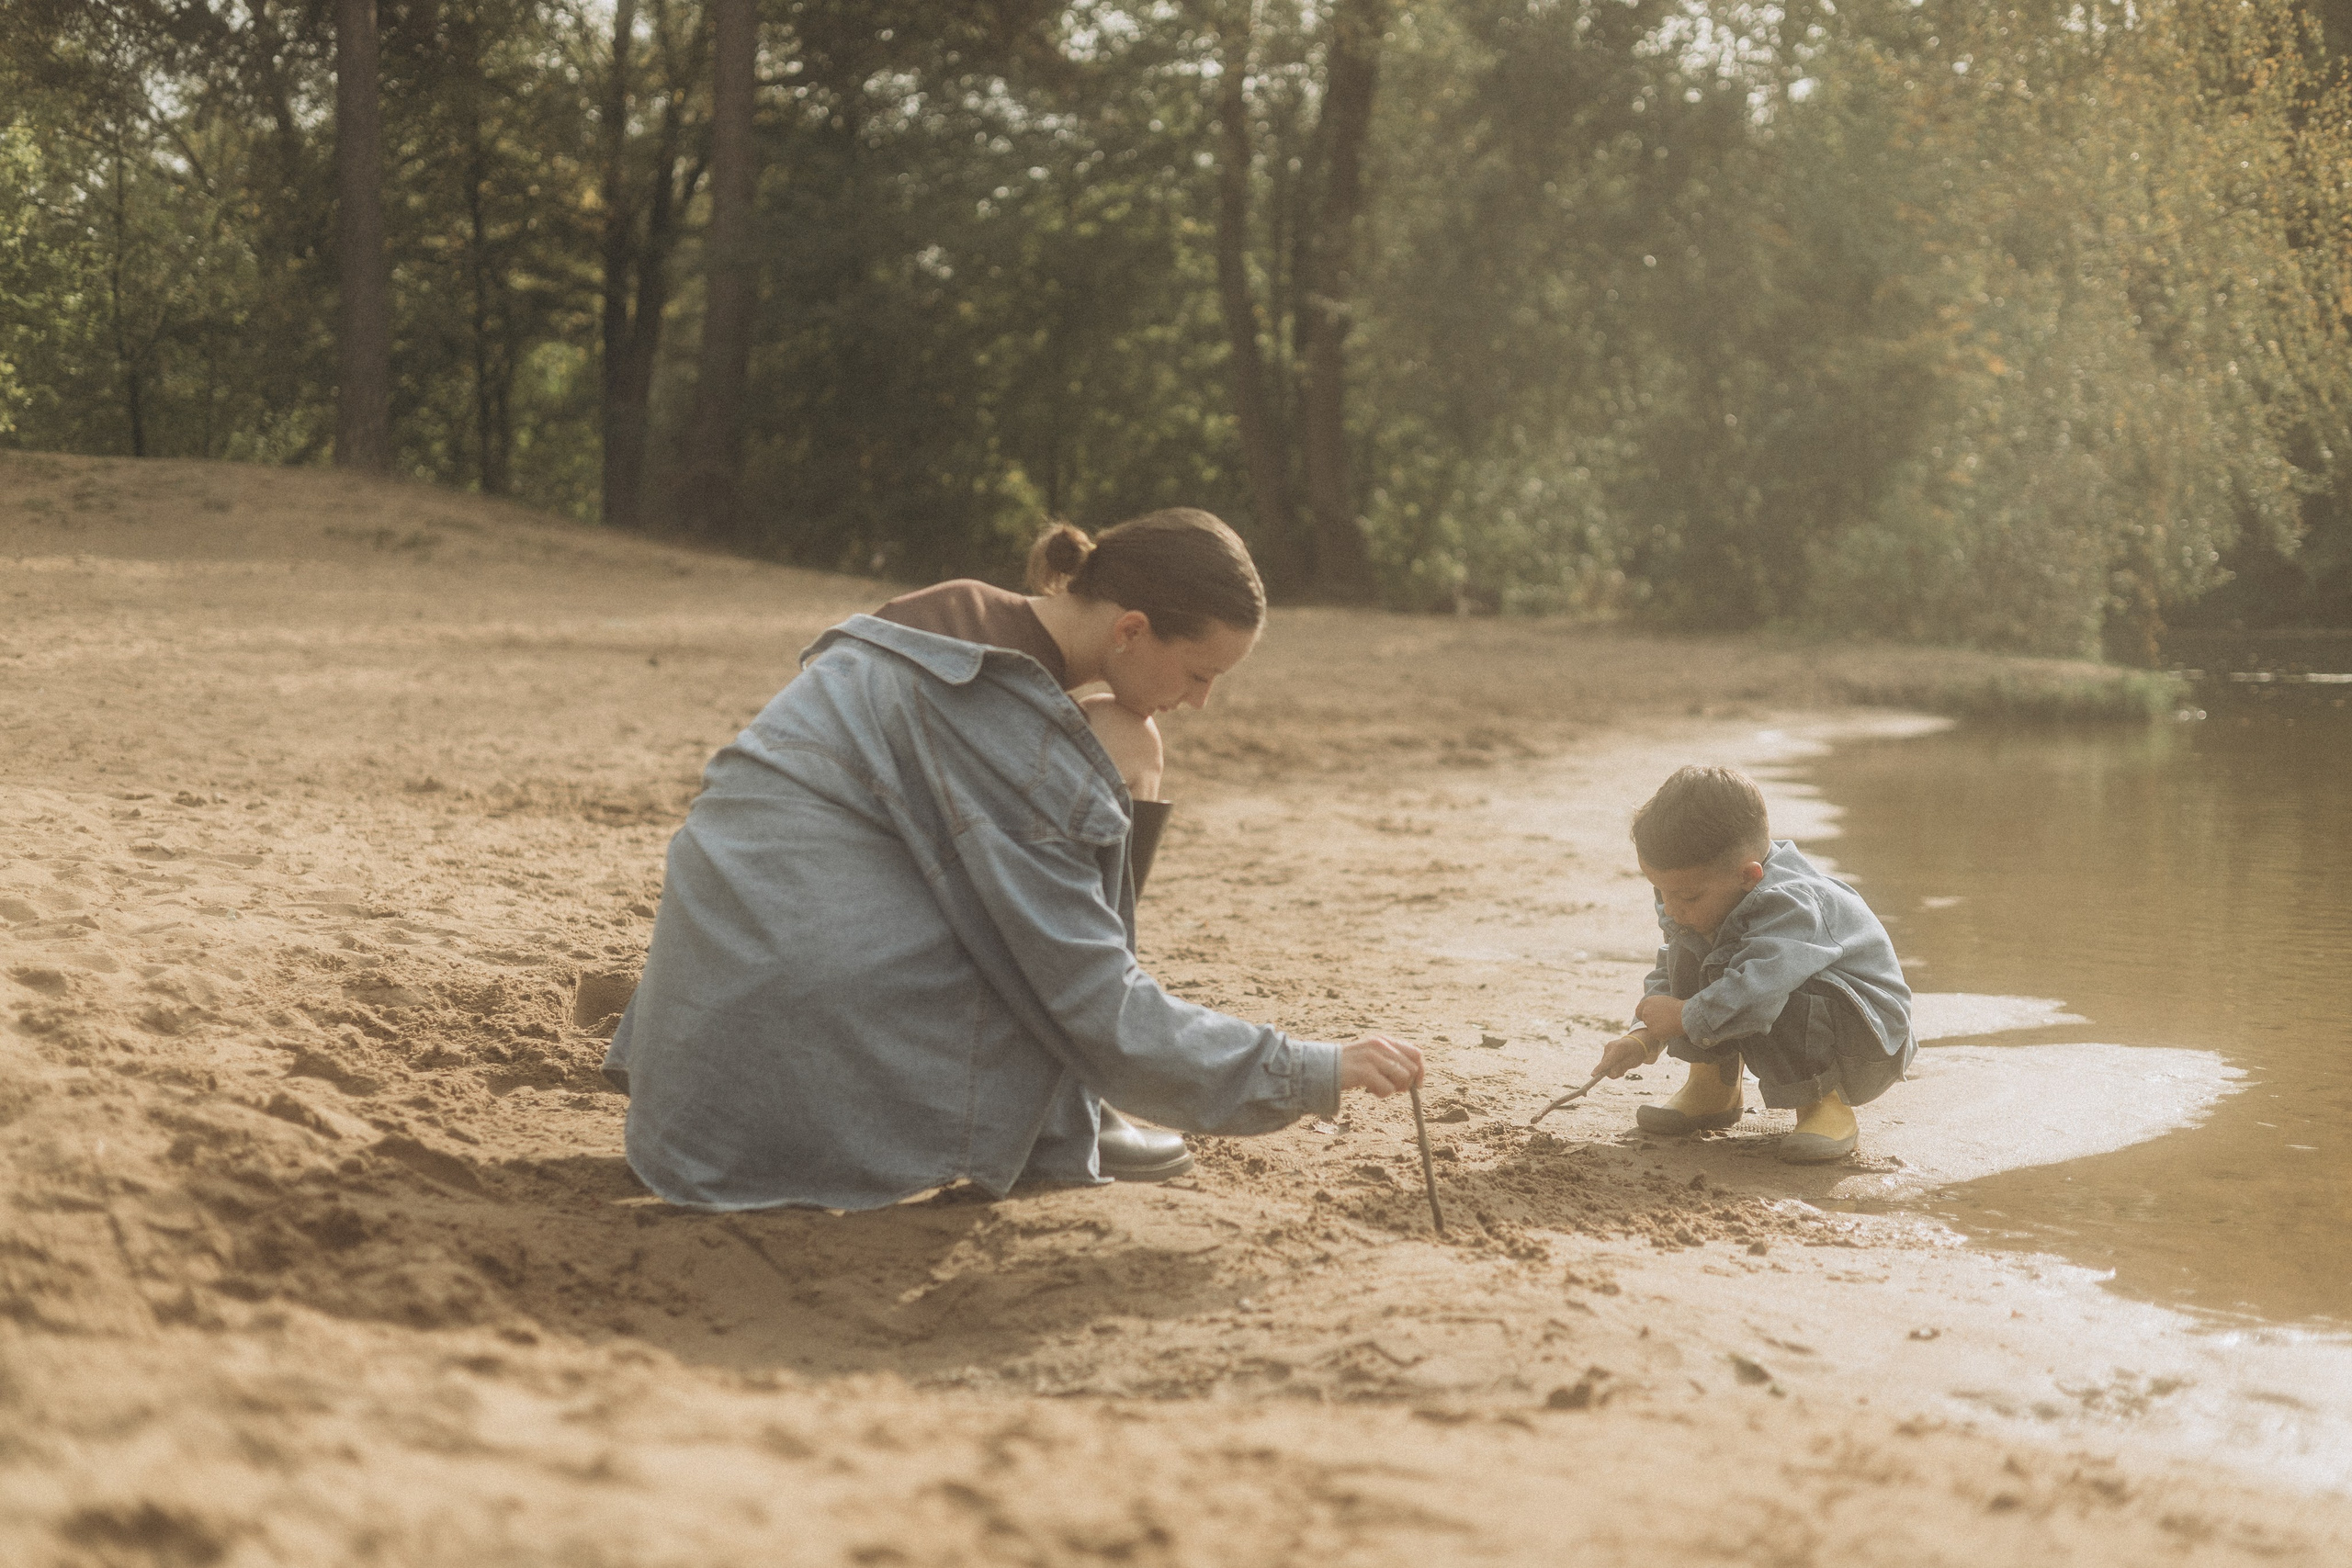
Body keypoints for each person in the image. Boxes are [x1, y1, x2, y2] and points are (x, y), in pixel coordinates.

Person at [602, 507, 1423, 1211]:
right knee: (1042, 979)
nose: (1203, 700)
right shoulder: (1011, 737)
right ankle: (1070, 1110)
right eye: (1200, 672)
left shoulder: (948, 619)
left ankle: (1076, 1104)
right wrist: (1313, 1069)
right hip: (774, 1105)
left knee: (1085, 804)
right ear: (1131, 630)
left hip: (696, 1066)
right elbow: (1094, 997)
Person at [1590, 765, 1914, 1163]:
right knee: (1690, 947)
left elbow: (1759, 990)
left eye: (1687, 896)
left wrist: (1686, 1016)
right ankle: (1713, 1084)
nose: (1670, 909)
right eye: (1661, 891)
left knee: (1769, 983)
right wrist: (1643, 1033)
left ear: (1749, 876)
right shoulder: (1700, 900)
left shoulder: (1793, 904)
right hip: (1773, 998)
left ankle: (1823, 1104)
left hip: (1864, 1042)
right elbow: (1671, 968)